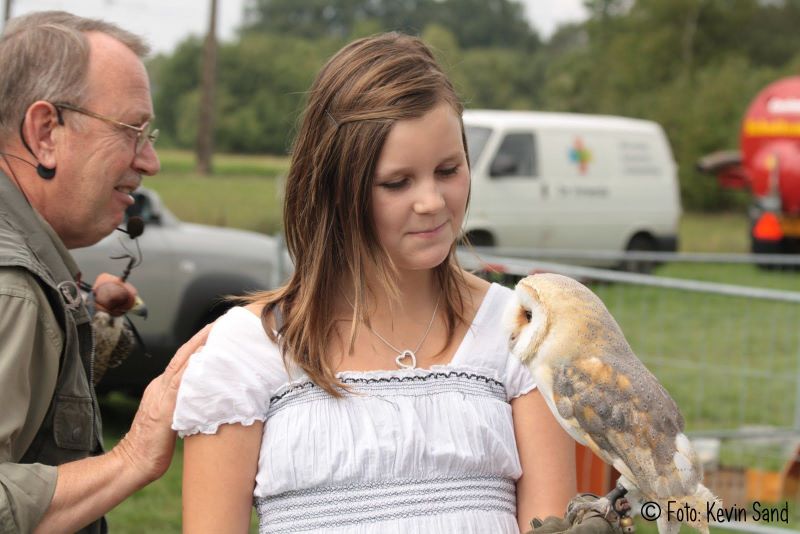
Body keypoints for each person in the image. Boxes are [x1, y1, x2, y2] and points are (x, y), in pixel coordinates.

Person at [174, 33, 581, 533]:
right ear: (335, 187)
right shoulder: (248, 349)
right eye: (397, 182)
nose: (431, 201)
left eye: (448, 170)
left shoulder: (521, 331)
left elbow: (550, 520)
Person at [0, 11, 208, 533]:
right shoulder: (13, 288)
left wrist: (88, 320)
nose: (151, 160)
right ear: (45, 132)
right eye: (132, 130)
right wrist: (133, 456)